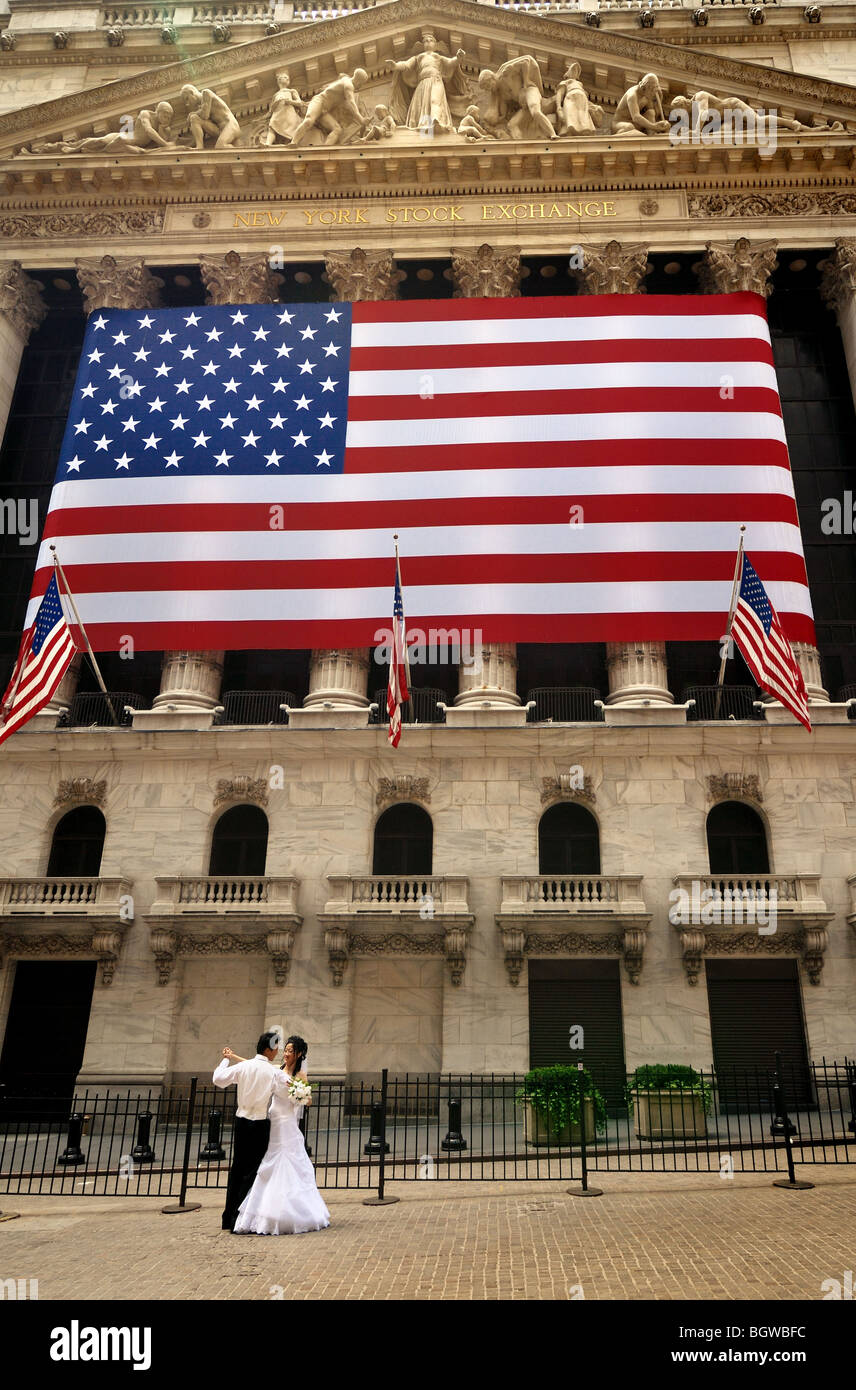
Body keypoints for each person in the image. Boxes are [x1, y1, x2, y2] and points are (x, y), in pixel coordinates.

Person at [233, 1035, 331, 1236]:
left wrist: (298, 1092)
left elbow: (308, 1100)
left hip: (287, 1122)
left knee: (290, 1161)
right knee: (269, 1161)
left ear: (299, 1054)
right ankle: (264, 1211)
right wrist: (234, 1056)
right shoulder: (277, 1069)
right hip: (273, 1119)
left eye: (290, 1051)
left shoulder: (301, 1075)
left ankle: (290, 1212)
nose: (286, 1054)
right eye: (285, 1050)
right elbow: (255, 1065)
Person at [213, 1029, 288, 1232]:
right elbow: (286, 1090)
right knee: (253, 1171)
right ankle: (243, 1217)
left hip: (241, 1121)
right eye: (276, 1049)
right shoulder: (273, 1072)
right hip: (260, 1123)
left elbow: (218, 1080)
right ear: (269, 1050)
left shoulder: (244, 1067)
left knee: (237, 1168)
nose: (277, 1053)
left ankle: (229, 1216)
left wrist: (225, 1061)